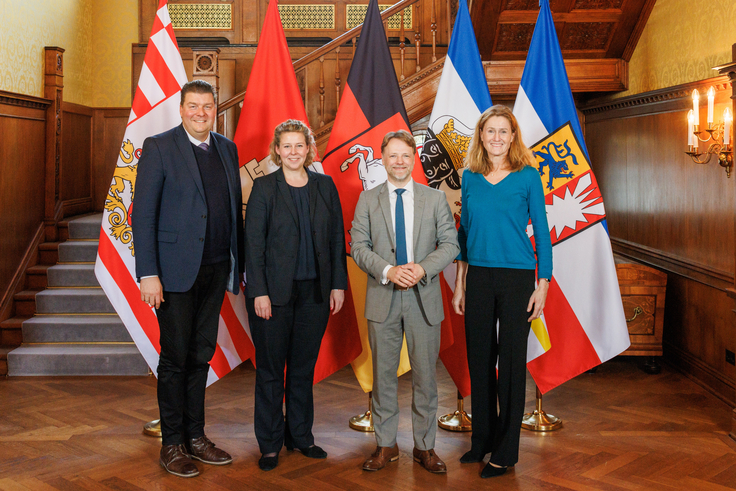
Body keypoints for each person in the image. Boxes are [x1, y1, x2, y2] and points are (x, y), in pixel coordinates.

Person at [132, 80, 243, 478]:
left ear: (216, 109)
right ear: (181, 109)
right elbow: (142, 216)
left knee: (201, 356)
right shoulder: (159, 146)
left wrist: (239, 265)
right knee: (175, 359)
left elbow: (233, 213)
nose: (200, 112)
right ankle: (172, 443)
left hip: (216, 269)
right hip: (173, 275)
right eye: (193, 106)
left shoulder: (227, 149)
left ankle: (196, 437)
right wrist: (148, 273)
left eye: (207, 106)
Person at [451, 105, 552, 478]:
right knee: (479, 361)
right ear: (481, 136)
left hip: (517, 278)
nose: (496, 137)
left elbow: (541, 232)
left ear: (513, 137)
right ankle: (483, 441)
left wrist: (543, 285)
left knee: (509, 364)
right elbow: (463, 236)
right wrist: (460, 283)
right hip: (477, 276)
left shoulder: (528, 176)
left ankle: (506, 452)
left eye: (503, 132)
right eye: (489, 131)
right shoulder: (471, 177)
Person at [351, 130, 459, 474]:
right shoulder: (368, 200)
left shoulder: (434, 199)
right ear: (382, 159)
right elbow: (358, 246)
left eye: (405, 156)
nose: (399, 161)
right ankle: (385, 445)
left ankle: (424, 448)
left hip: (423, 298)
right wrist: (387, 270)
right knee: (383, 377)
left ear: (414, 159)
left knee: (426, 378)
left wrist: (421, 269)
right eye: (393, 155)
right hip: (383, 296)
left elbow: (450, 244)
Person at [244, 119, 347, 471]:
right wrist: (258, 291)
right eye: (285, 146)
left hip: (315, 293)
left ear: (308, 149)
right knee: (271, 370)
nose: (292, 152)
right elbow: (253, 245)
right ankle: (270, 443)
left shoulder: (325, 186)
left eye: (298, 146)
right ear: (276, 151)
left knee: (303, 369)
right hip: (272, 295)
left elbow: (336, 239)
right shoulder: (264, 188)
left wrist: (337, 284)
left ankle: (301, 436)